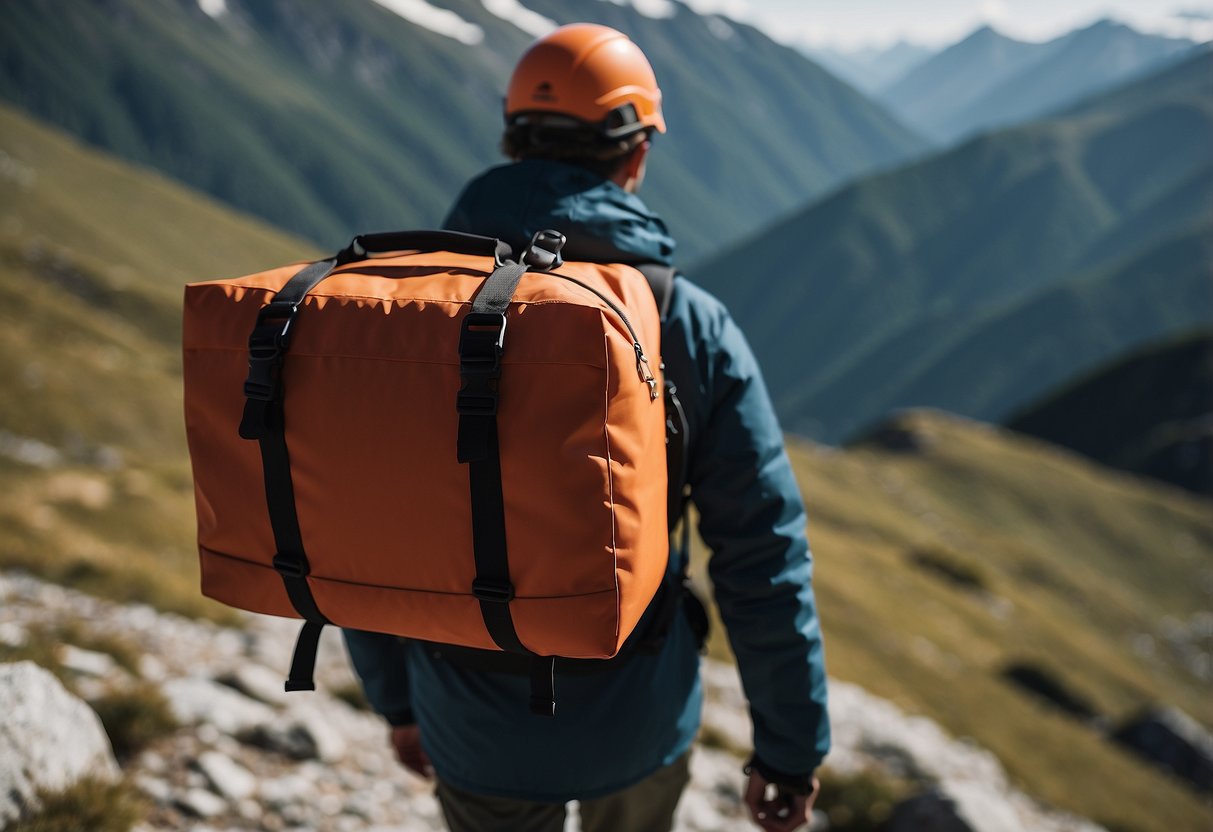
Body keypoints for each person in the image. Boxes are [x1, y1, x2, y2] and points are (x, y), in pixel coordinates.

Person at [343, 23, 829, 832]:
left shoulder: (407, 310)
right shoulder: (687, 323)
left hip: (467, 712)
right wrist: (788, 748)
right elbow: (760, 551)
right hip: (635, 714)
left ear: (510, 141)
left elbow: (367, 517)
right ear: (635, 155)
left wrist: (396, 698)